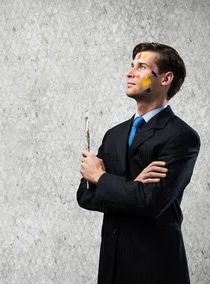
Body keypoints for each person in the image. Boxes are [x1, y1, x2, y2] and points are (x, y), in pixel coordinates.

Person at [77, 42, 201, 284]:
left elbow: (152, 201)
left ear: (166, 79)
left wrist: (102, 178)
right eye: (132, 65)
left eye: (142, 66)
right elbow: (86, 196)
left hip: (156, 270)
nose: (129, 72)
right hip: (111, 269)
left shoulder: (181, 136)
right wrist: (133, 186)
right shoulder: (114, 135)